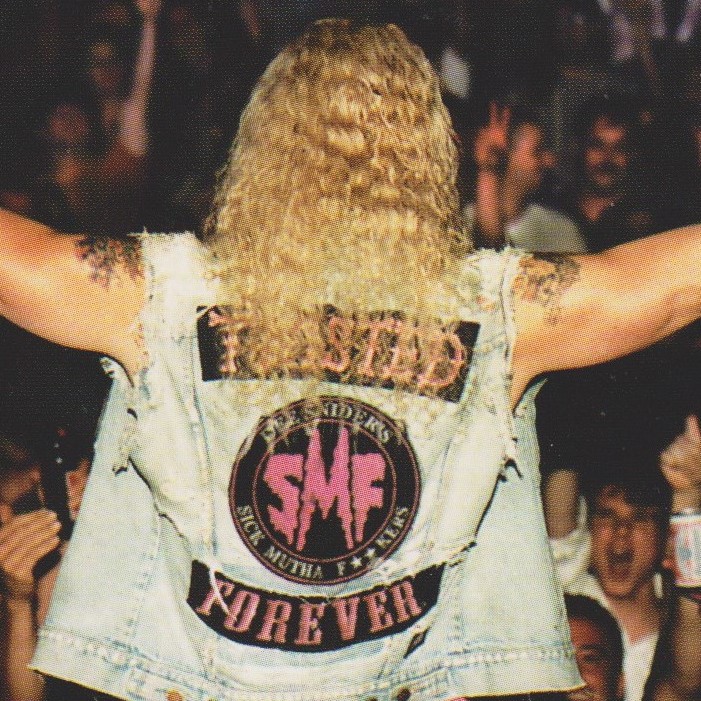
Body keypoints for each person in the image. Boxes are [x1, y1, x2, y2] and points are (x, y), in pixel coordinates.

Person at [2, 18, 701, 701]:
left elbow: (27, 265)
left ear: (265, 145)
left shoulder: (163, 292)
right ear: (426, 154)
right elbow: (654, 289)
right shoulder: (493, 309)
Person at [545, 415, 701, 701]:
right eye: (607, 515)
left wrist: (688, 493)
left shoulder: (683, 625)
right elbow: (559, 512)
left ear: (668, 539)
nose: (621, 531)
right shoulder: (561, 594)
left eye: (640, 518)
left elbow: (683, 676)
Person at [464, 102, 588, 252]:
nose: (550, 160)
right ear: (505, 156)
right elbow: (490, 251)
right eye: (538, 151)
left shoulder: (560, 231)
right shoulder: (458, 222)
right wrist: (489, 168)